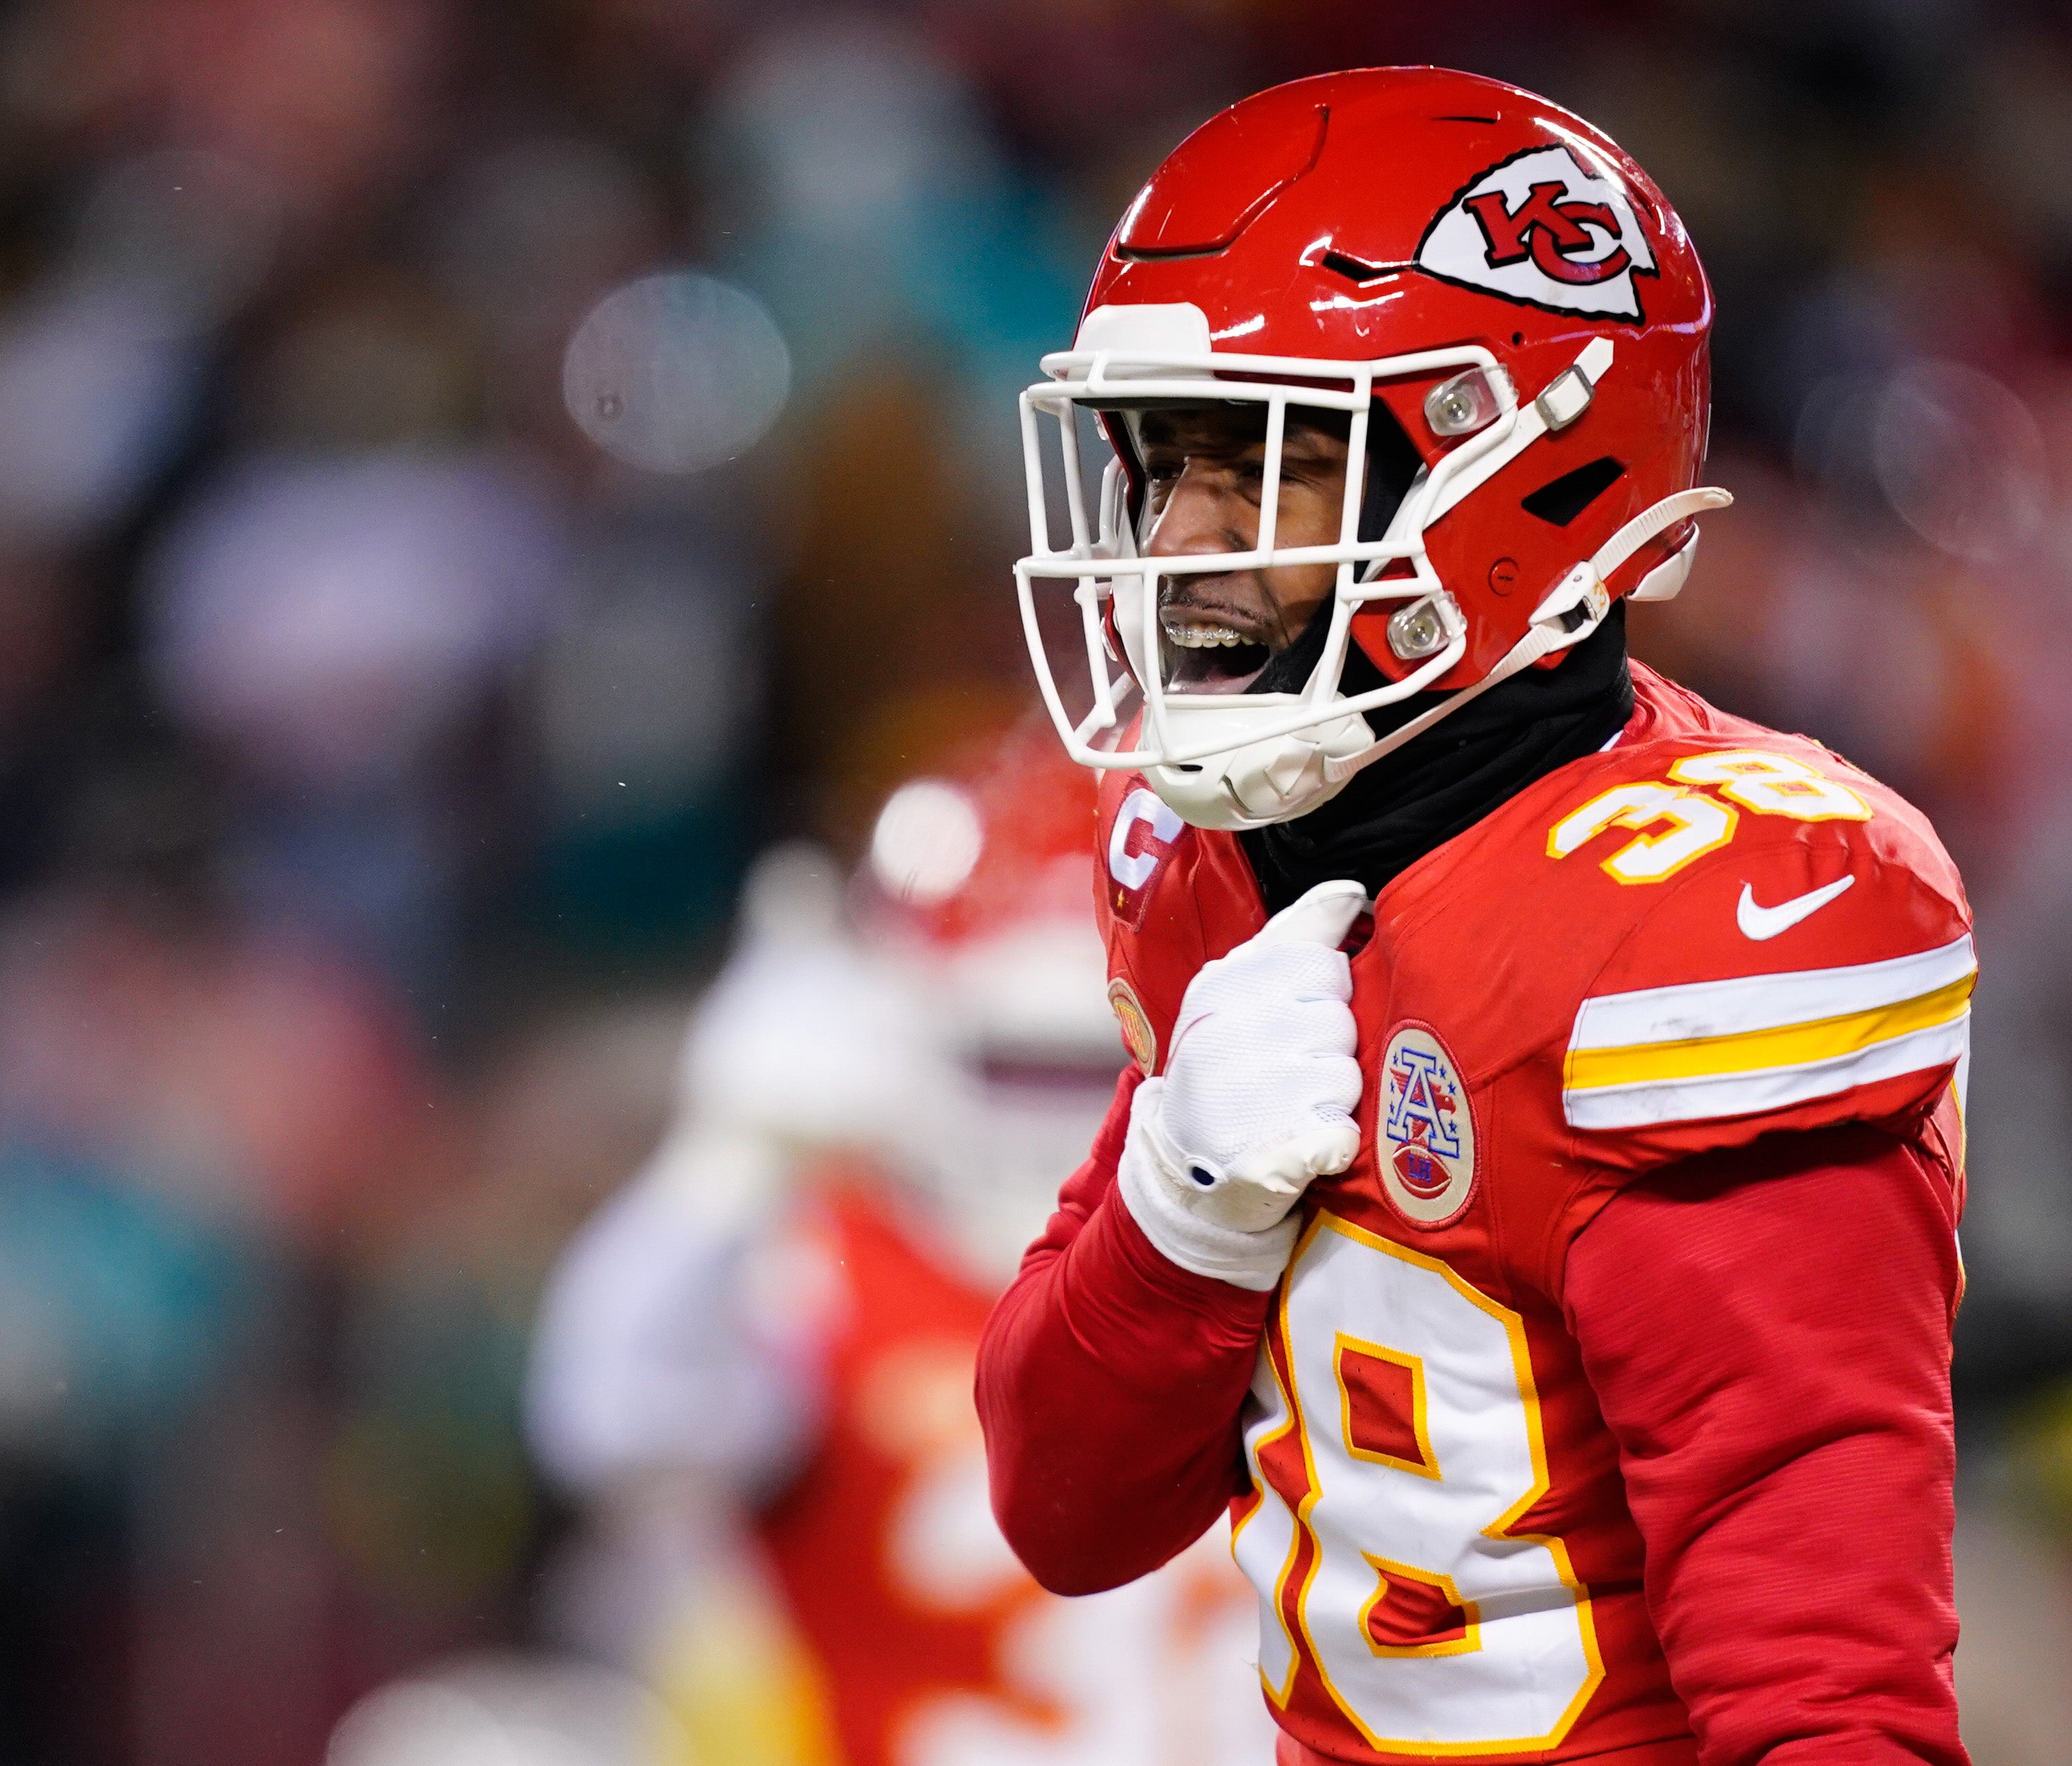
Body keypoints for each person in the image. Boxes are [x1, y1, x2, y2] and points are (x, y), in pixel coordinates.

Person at [977, 66, 1975, 1766]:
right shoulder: (1209, 846)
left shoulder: (1697, 912)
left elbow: (1825, 1697)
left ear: (1508, 477)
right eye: (1162, 465)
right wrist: (1176, 1215)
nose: (1176, 547)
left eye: (1265, 470)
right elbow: (1062, 1505)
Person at [526, 732, 1273, 1766]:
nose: (1069, 1113)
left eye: (1107, 1061)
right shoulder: (823, 1264)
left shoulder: (1299, 1236)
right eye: (1018, 1062)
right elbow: (612, 1421)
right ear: (894, 1024)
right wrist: (727, 1162)